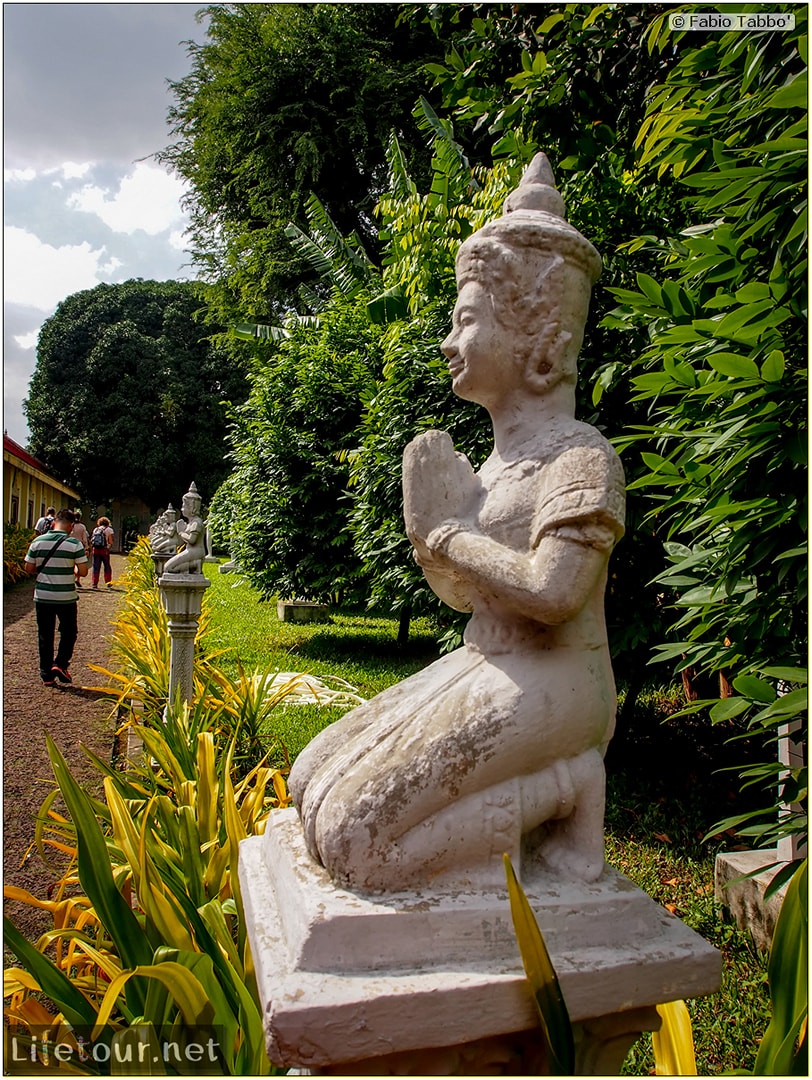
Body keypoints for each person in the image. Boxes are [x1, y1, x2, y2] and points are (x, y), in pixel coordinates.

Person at [289, 154, 625, 892]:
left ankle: (566, 785)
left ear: (540, 340)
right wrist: (428, 532)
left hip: (560, 680)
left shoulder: (580, 458)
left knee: (354, 841)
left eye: (465, 321)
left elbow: (554, 593)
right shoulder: (494, 467)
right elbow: (467, 599)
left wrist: (448, 534)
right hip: (487, 659)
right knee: (307, 779)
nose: (448, 342)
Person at [25, 508, 88, 685]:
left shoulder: (37, 541)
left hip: (43, 596)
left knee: (45, 634)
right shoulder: (74, 544)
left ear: (54, 523)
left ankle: (46, 674)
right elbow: (82, 572)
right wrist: (72, 567)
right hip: (66, 597)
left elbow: (28, 568)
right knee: (69, 632)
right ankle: (60, 663)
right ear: (71, 526)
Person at [162, 483, 206, 574]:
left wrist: (181, 532)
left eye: (184, 506)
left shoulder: (196, 522)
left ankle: (194, 564)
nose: (182, 509)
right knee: (167, 567)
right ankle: (194, 564)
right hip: (190, 550)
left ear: (192, 507)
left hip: (196, 551)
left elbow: (192, 540)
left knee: (168, 568)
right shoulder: (190, 522)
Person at [90, 516, 115, 589]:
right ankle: (108, 582)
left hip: (96, 549)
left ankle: (94, 583)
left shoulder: (96, 529)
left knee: (96, 567)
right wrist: (109, 546)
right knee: (107, 566)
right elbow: (110, 541)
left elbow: (92, 540)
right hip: (104, 550)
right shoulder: (109, 530)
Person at [70, 511, 89, 587]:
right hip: (79, 545)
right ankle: (77, 579)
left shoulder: (70, 525)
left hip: (70, 545)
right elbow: (84, 538)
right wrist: (86, 547)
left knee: (71, 563)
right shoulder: (82, 526)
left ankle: (71, 579)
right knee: (79, 563)